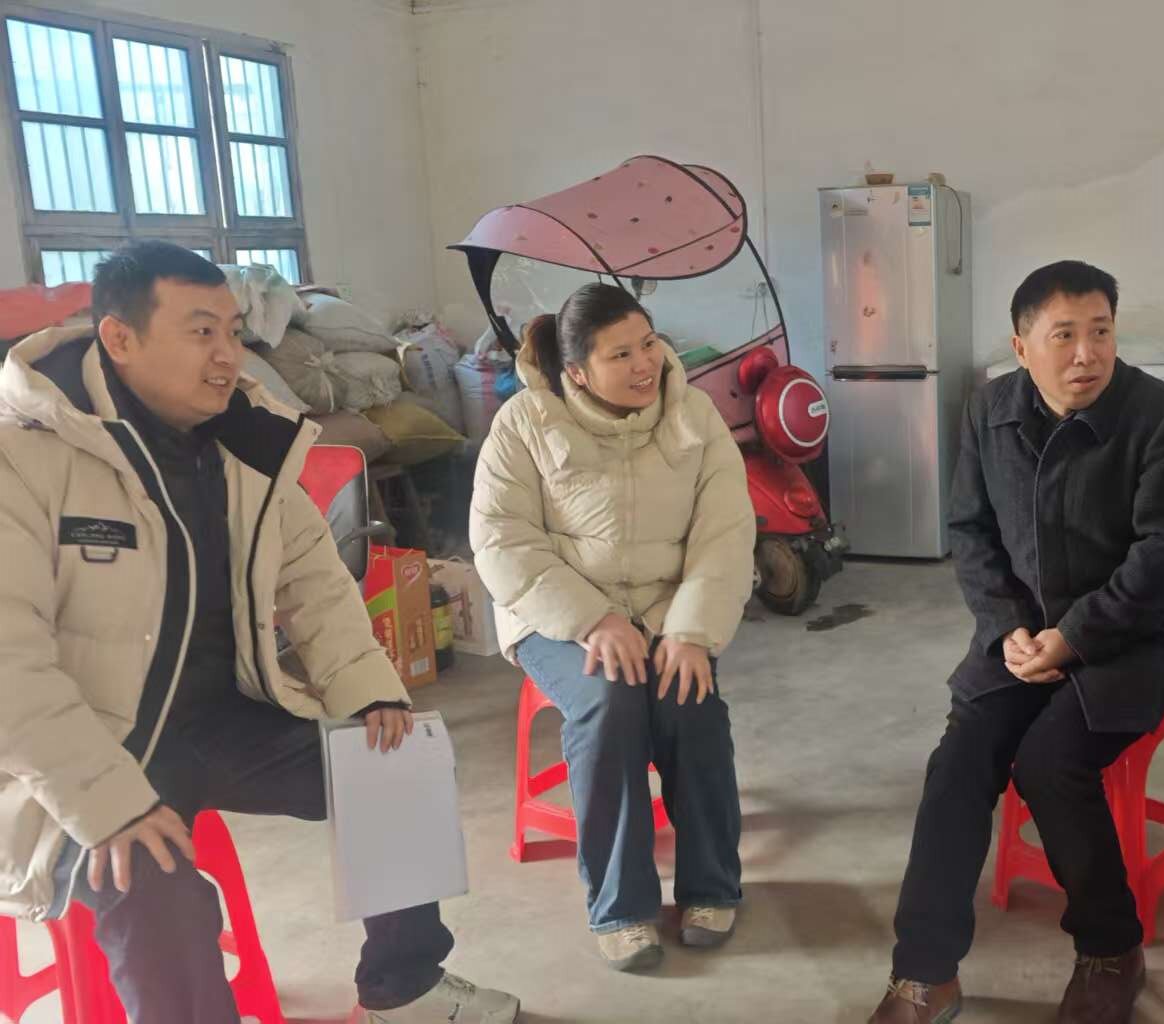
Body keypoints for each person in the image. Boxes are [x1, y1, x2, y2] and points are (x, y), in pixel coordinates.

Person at [0, 242, 519, 1023]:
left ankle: (404, 987)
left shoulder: (242, 443)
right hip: (84, 751)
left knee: (399, 767)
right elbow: (9, 667)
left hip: (215, 723)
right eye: (200, 331)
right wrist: (106, 802)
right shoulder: (23, 458)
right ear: (120, 338)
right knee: (155, 888)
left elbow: (313, 580)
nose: (227, 355)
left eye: (233, 332)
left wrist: (371, 692)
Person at [869, 261, 1164, 1024]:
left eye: (1101, 332)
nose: (1087, 354)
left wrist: (1075, 637)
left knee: (1050, 763)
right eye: (1065, 336)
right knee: (958, 765)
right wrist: (1007, 628)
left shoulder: (1160, 418)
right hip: (1018, 638)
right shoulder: (989, 410)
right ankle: (925, 972)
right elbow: (971, 531)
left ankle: (1112, 949)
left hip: (1130, 640)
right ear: (1022, 348)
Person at [470, 283, 755, 972]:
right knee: (610, 702)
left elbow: (725, 532)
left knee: (689, 702)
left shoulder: (694, 415)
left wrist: (689, 630)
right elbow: (502, 540)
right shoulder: (524, 424)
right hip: (559, 617)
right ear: (576, 371)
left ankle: (712, 886)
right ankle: (621, 908)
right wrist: (591, 619)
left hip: (664, 612)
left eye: (648, 343)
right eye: (620, 354)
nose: (644, 364)